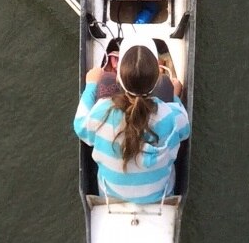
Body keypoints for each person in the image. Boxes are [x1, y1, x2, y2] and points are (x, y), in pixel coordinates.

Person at [74, 39, 189, 204]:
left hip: (110, 198)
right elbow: (185, 131)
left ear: (119, 80)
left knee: (102, 82)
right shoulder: (172, 115)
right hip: (161, 198)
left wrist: (91, 85)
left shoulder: (103, 112)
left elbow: (80, 126)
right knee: (170, 85)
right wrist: (175, 96)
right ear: (157, 79)